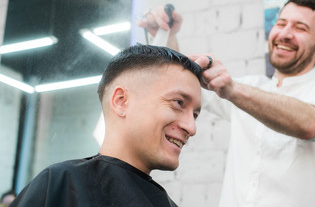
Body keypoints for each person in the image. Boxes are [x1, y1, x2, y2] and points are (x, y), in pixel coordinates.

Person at [138, 0, 315, 206]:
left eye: (300, 28)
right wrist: (168, 35)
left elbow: (312, 123)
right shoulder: (251, 86)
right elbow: (184, 86)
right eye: (281, 24)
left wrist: (233, 90)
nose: (285, 34)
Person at [10, 44, 203, 207]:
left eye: (195, 115)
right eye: (178, 103)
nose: (191, 128)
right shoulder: (61, 184)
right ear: (121, 101)